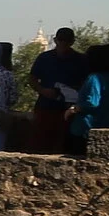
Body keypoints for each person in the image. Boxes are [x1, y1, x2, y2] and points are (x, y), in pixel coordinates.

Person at [27, 27, 87, 155]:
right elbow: (32, 79)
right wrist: (43, 90)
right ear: (55, 40)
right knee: (41, 143)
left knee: (64, 144)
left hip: (69, 109)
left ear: (72, 42)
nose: (63, 44)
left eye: (67, 41)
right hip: (46, 106)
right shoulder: (44, 58)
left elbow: (85, 83)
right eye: (61, 40)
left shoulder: (80, 60)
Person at [69, 43, 109, 153]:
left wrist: (74, 109)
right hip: (106, 123)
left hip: (86, 127)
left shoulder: (94, 78)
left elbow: (92, 102)